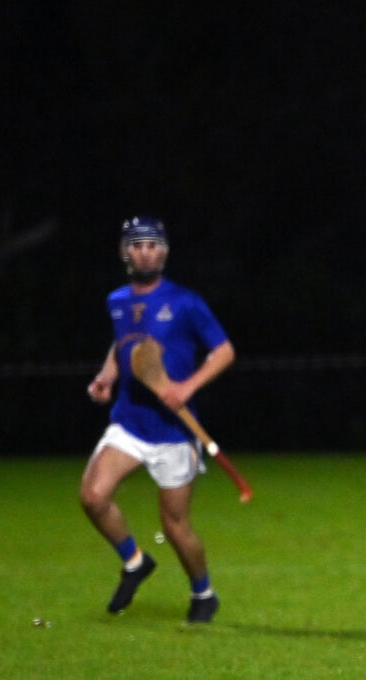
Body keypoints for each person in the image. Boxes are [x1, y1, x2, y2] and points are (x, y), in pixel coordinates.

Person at [80, 216, 235, 623]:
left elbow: (223, 352)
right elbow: (124, 345)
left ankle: (204, 592)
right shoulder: (117, 301)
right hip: (130, 422)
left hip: (173, 432)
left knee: (175, 524)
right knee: (93, 496)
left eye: (152, 244)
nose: (145, 251)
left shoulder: (186, 302)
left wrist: (187, 388)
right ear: (124, 252)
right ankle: (134, 561)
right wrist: (106, 377)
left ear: (164, 252)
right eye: (137, 244)